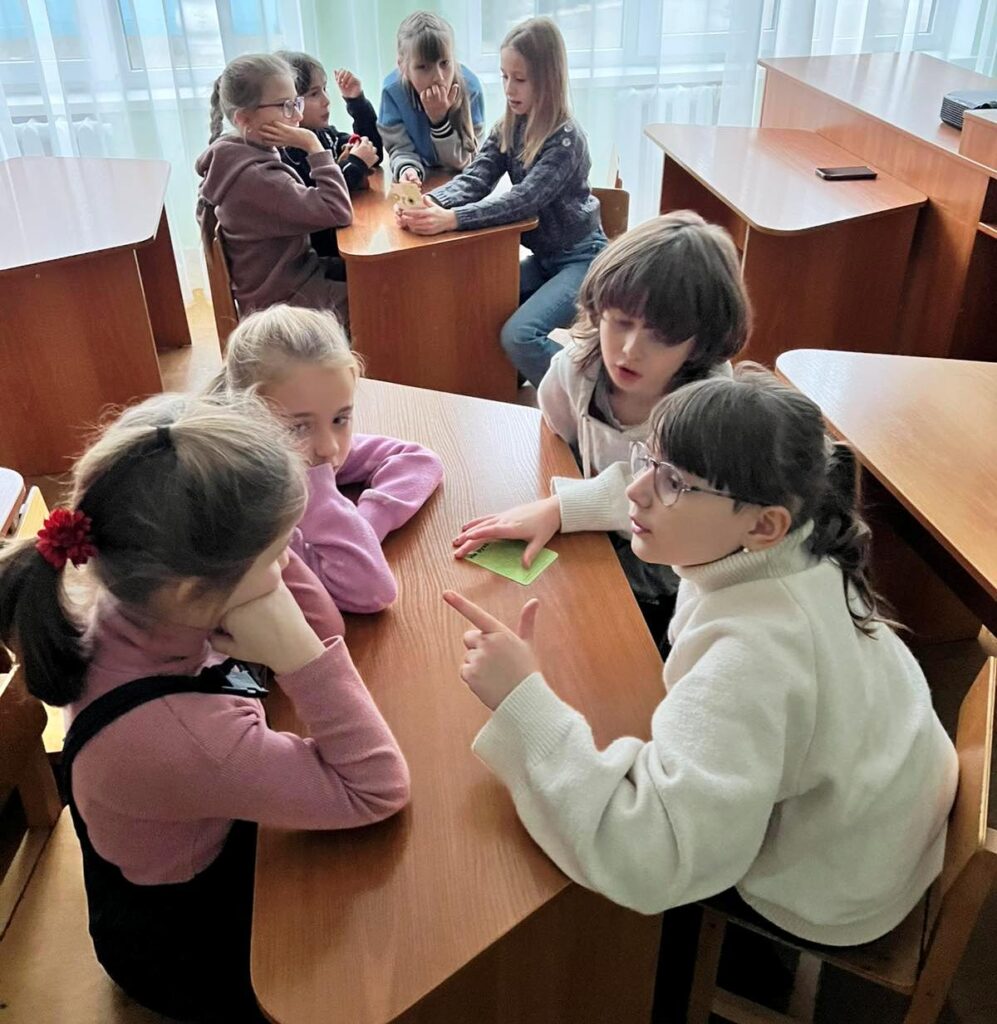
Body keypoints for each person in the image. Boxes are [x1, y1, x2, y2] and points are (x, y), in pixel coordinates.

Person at [445, 365, 957, 957]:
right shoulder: (804, 539)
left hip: (830, 890)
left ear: (763, 525)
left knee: (562, 902)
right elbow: (662, 498)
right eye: (648, 461)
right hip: (883, 812)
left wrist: (522, 701)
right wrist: (564, 507)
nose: (637, 490)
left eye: (672, 483)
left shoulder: (751, 661)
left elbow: (652, 857)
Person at [0, 393, 409, 1022]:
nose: (288, 563)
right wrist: (301, 656)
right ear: (197, 591)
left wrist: (266, 559)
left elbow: (325, 622)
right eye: (277, 555)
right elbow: (375, 789)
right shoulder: (182, 737)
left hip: (196, 835)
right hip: (186, 947)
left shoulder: (140, 597)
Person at [452, 212, 748, 650]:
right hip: (596, 533)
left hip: (670, 567)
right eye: (621, 321)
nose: (630, 350)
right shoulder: (575, 370)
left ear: (699, 343)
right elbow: (556, 441)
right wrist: (558, 508)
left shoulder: (711, 406)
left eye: (660, 336)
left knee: (604, 644)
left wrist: (561, 509)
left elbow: (670, 502)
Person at [398, 16, 606, 386]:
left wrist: (453, 219)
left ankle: (595, 393)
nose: (509, 88)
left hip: (583, 260)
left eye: (520, 79)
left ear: (548, 79)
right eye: (504, 76)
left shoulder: (566, 139)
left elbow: (524, 200)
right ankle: (508, 380)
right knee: (479, 298)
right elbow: (476, 177)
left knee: (519, 335)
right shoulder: (509, 125)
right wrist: (430, 204)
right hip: (545, 260)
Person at [216, 305, 443, 613]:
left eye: (340, 419)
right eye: (298, 427)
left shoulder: (305, 453)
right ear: (247, 419)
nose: (328, 447)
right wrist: (317, 493)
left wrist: (365, 525)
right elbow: (371, 591)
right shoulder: (247, 514)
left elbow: (418, 460)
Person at [195, 53, 351, 316]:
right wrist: (313, 145)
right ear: (244, 119)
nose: (297, 115)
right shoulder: (258, 179)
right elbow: (338, 211)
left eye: (296, 102)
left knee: (375, 270)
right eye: (285, 106)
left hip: (292, 279)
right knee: (382, 293)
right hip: (282, 303)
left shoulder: (235, 156)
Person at [378, 10, 484, 184]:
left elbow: (467, 161)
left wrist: (439, 121)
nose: (438, 77)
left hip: (460, 184)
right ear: (403, 67)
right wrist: (408, 169)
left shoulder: (470, 89)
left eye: (445, 63)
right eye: (423, 67)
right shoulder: (392, 93)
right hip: (424, 183)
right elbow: (399, 149)